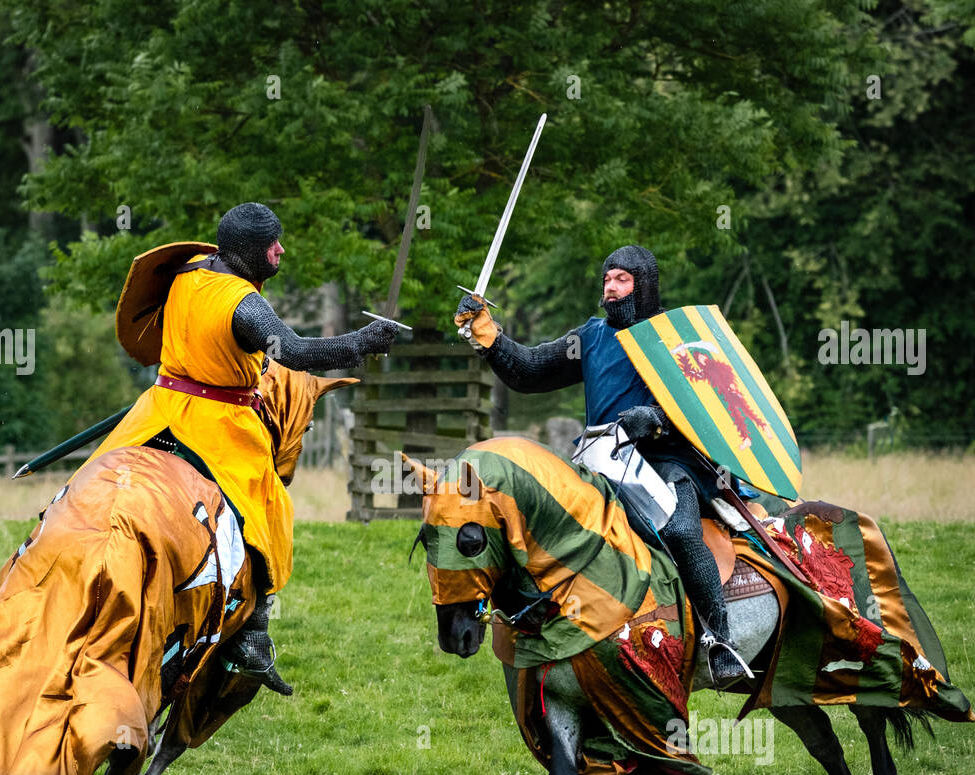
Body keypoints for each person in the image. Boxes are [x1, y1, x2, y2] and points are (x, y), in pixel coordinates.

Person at [86, 202, 399, 693]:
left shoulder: (187, 272)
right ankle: (252, 636)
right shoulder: (243, 303)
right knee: (269, 508)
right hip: (217, 420)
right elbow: (293, 353)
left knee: (92, 475)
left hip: (161, 404)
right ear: (251, 253)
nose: (281, 250)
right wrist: (359, 341)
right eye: (273, 245)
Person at [453, 246, 752, 688]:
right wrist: (490, 337)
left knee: (681, 531)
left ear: (644, 286)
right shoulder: (590, 337)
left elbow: (705, 401)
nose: (610, 289)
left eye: (622, 280)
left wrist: (655, 417)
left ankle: (720, 642)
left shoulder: (673, 335)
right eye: (607, 279)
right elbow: (531, 371)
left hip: (667, 459)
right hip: (603, 461)